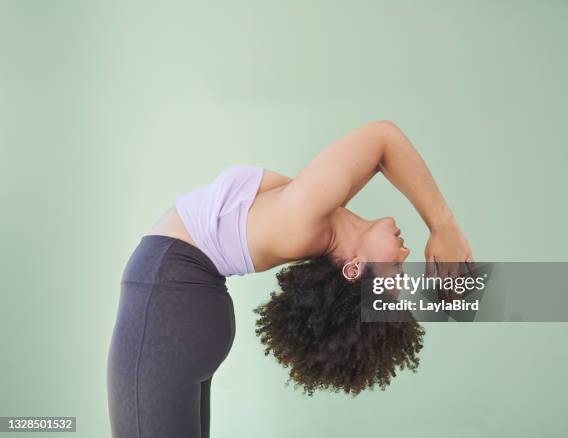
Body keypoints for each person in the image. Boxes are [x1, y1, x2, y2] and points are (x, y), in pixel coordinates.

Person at [106, 120, 473, 438]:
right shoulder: (323, 216)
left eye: (393, 270)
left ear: (353, 268)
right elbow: (381, 153)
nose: (405, 257)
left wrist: (444, 227)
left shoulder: (304, 220)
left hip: (166, 297)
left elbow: (382, 138)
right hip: (184, 303)